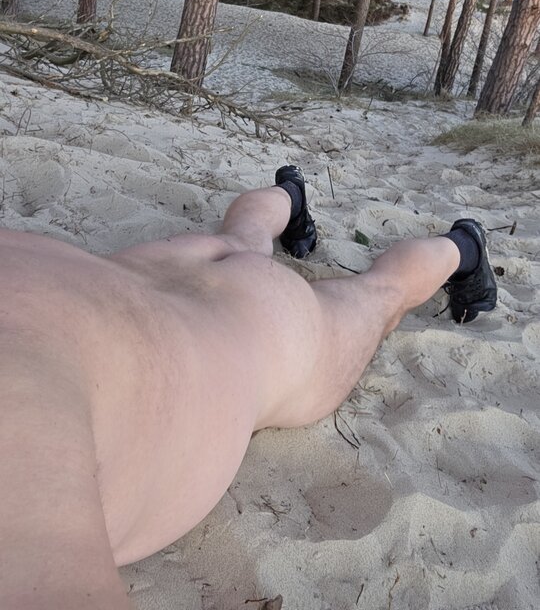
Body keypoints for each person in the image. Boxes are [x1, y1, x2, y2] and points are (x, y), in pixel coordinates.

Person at [0, 166, 497, 609]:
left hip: (259, 324)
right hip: (131, 273)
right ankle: (290, 195)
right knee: (241, 240)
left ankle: (465, 247)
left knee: (381, 293)